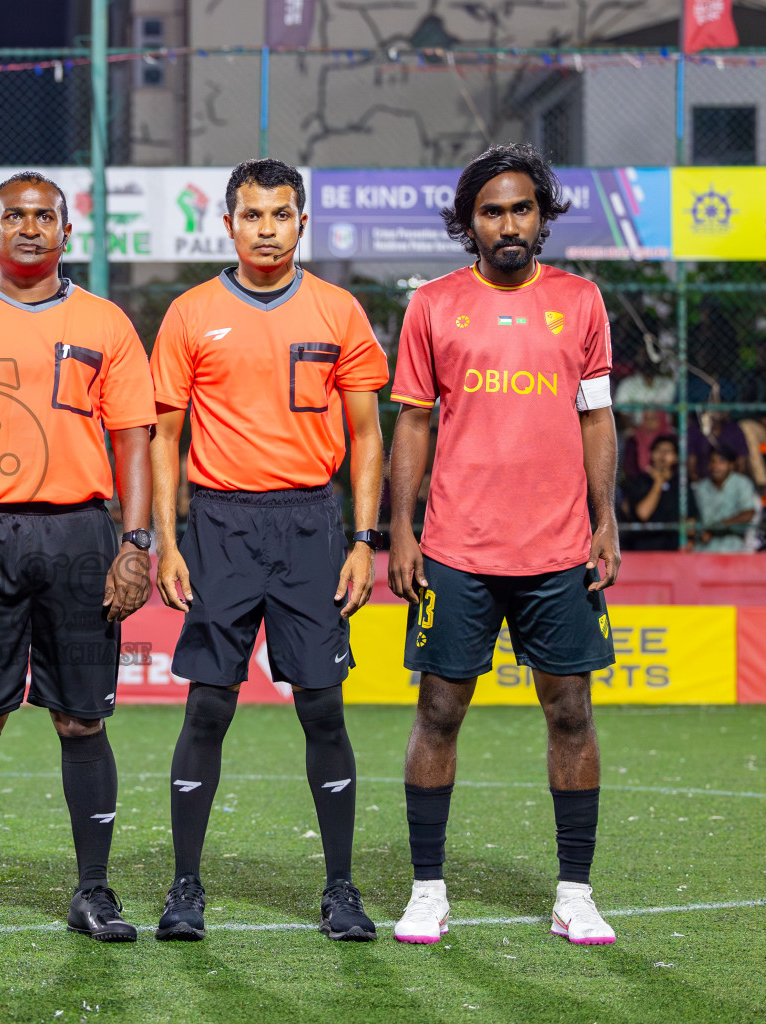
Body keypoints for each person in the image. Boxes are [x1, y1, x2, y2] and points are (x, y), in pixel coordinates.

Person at [0, 172, 156, 943]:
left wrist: (136, 542)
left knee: (82, 720)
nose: (31, 228)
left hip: (81, 535)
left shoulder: (107, 324)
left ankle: (93, 893)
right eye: (15, 216)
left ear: (67, 234)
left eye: (46, 216)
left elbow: (134, 440)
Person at [148, 159, 391, 943]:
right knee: (208, 705)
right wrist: (166, 540)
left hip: (312, 526)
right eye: (251, 215)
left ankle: (341, 888)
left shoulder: (339, 310)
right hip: (219, 525)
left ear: (301, 221)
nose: (266, 228)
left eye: (280, 215)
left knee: (323, 706)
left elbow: (366, 437)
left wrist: (363, 539)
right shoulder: (190, 313)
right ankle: (186, 886)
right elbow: (165, 436)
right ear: (228, 224)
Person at [388, 144, 621, 946]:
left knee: (570, 712)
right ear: (469, 224)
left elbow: (597, 418)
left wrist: (605, 518)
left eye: (522, 208)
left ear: (543, 217)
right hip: (457, 548)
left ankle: (575, 892)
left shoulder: (583, 302)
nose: (508, 223)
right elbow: (413, 421)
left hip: (558, 550)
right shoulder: (433, 305)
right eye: (492, 210)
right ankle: (426, 889)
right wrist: (400, 526)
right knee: (440, 711)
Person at [691, 445, 757, 553]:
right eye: (712, 461)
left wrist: (717, 527)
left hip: (734, 547)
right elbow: (694, 517)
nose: (715, 466)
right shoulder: (701, 488)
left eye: (721, 462)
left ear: (731, 465)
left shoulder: (741, 483)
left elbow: (748, 514)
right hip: (704, 547)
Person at [620, 434, 680, 551]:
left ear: (676, 457)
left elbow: (691, 519)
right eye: (659, 450)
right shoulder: (639, 481)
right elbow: (643, 513)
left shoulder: (680, 484)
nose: (663, 455)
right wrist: (658, 483)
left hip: (673, 550)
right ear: (651, 454)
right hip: (643, 549)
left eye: (668, 451)